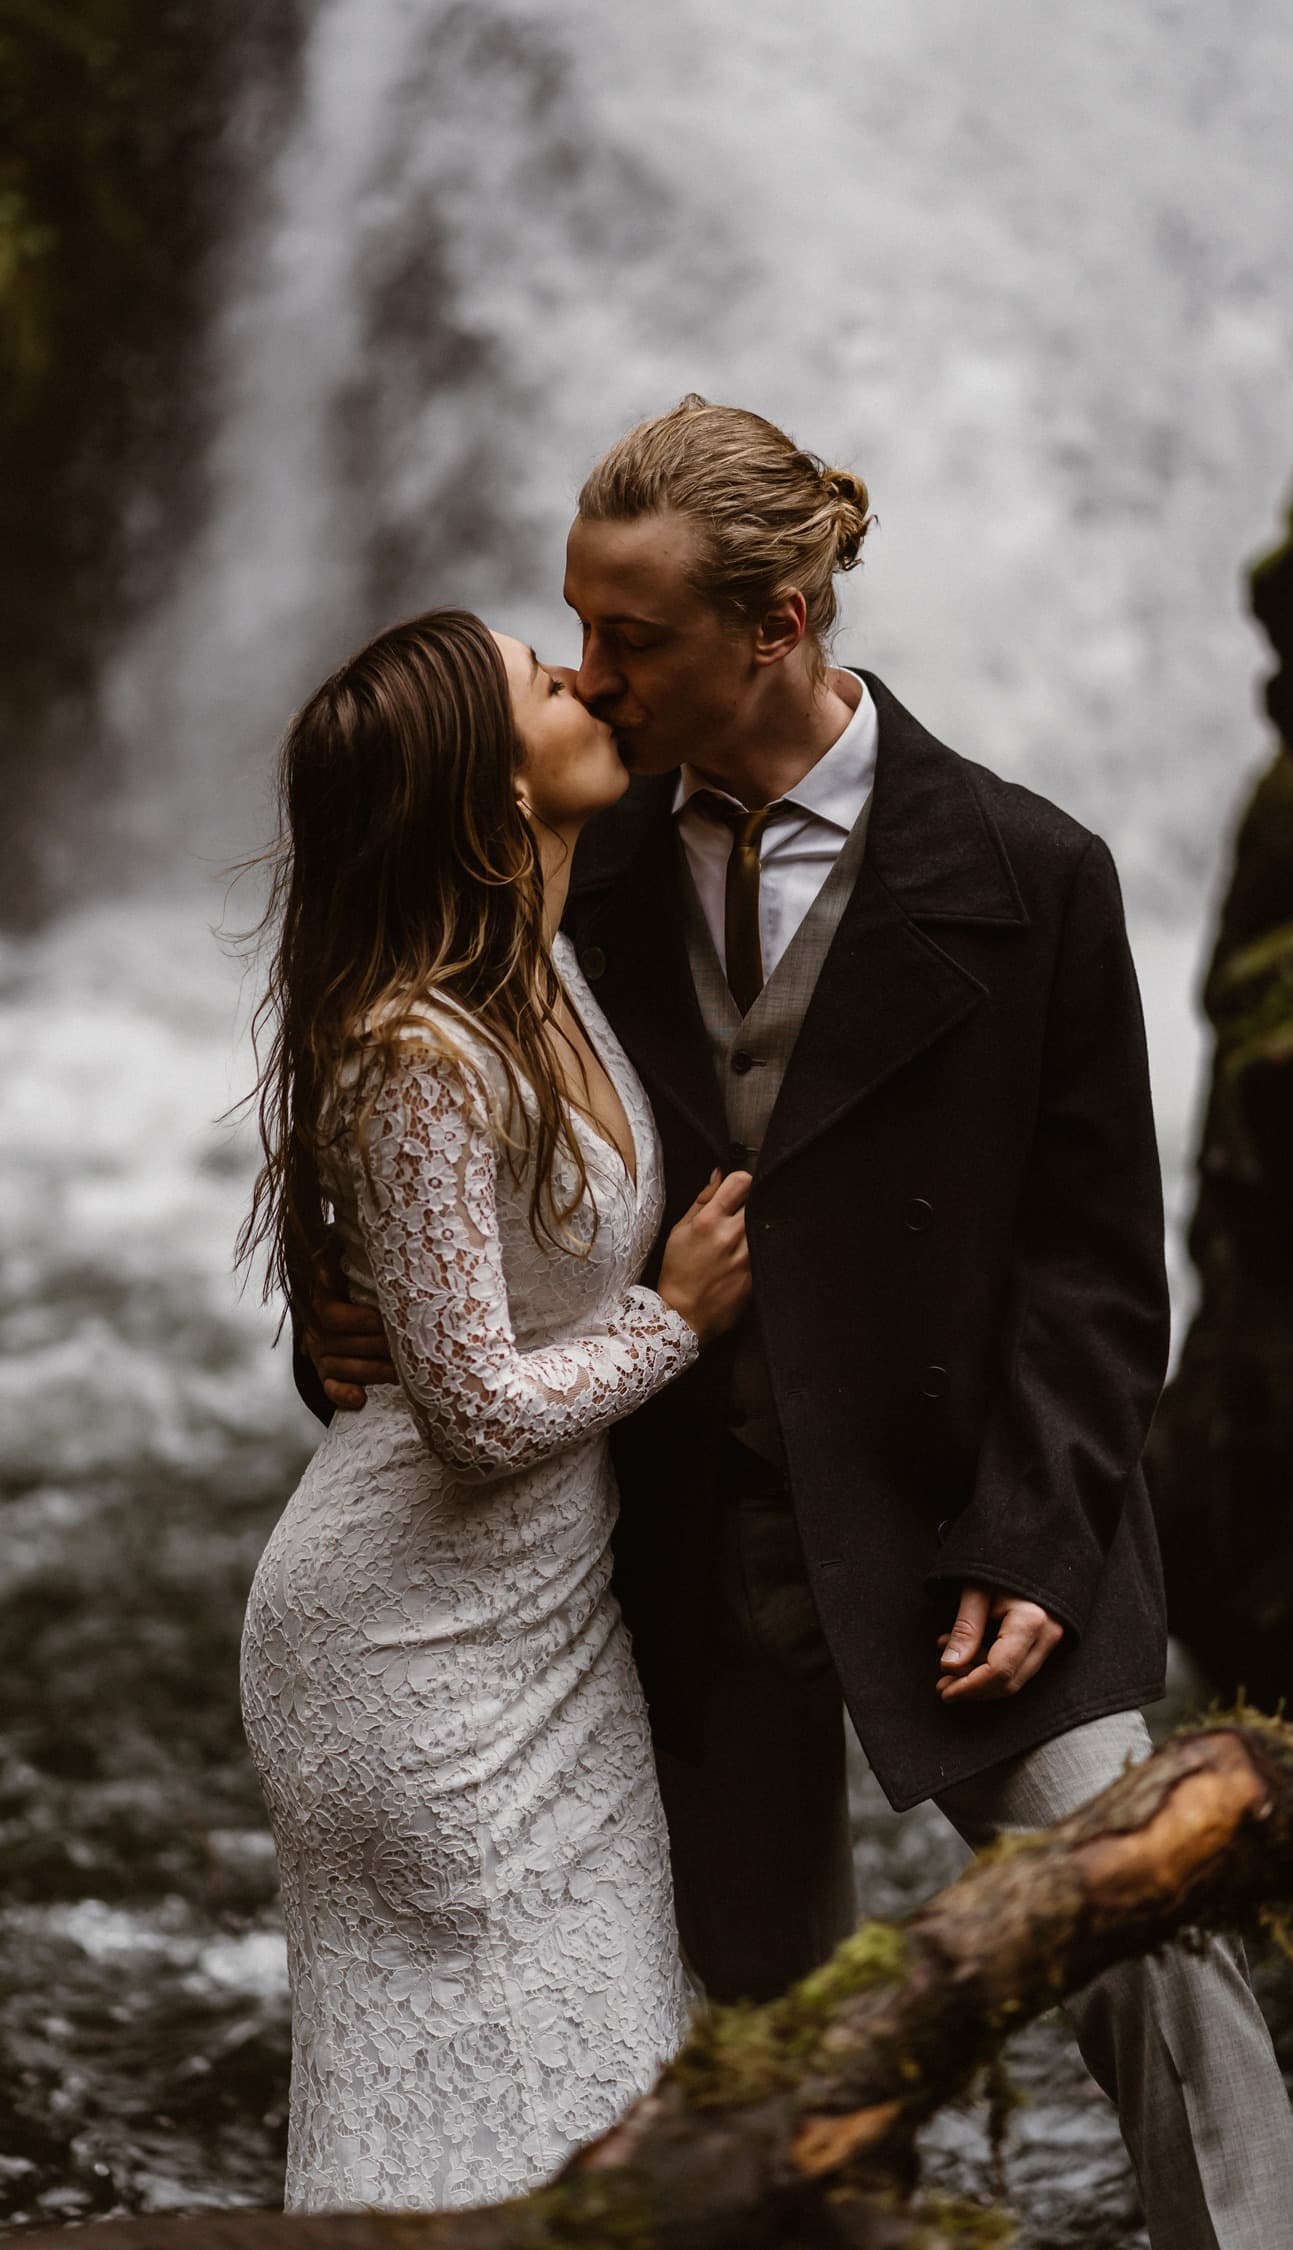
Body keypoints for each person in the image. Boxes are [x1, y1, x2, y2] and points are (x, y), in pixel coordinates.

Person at [303, 400, 1293, 2248]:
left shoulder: (1036, 873)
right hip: (690, 1545)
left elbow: (1098, 1268)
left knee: (1160, 1953)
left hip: (980, 1533)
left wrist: (1033, 1540)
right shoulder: (561, 854)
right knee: (753, 2059)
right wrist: (343, 1307)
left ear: (777, 623)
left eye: (637, 640)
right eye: (579, 634)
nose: (594, 681)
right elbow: (419, 1105)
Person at [238, 607, 753, 2212]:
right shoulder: (417, 1052)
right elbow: (463, 1407)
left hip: (550, 1631)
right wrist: (672, 1318)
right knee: (477, 2090)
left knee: (609, 2052)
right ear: (487, 785)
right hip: (403, 1657)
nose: (586, 679)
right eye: (545, 678)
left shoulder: (550, 964)